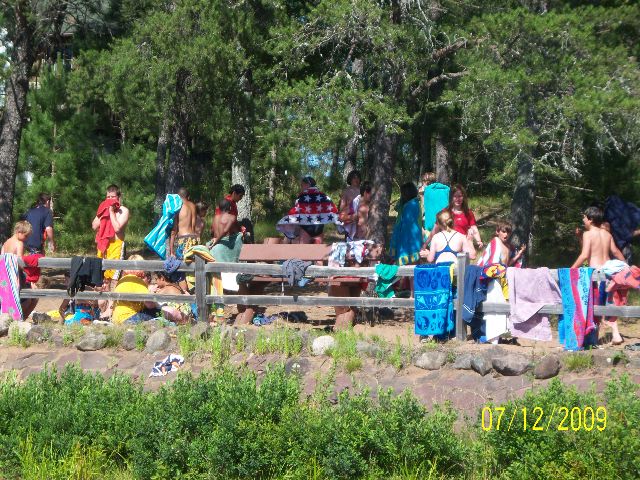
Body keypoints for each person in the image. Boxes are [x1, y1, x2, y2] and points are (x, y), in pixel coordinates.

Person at [571, 206, 626, 345]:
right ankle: (616, 335)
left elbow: (584, 255)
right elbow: (616, 251)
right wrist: (626, 265)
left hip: (596, 274)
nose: (583, 220)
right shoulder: (607, 234)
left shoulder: (588, 234)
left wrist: (572, 269)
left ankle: (593, 339)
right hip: (609, 273)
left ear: (590, 219)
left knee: (594, 306)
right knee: (609, 304)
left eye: (584, 217)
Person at [92, 184, 130, 318]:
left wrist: (112, 212)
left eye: (112, 197)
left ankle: (112, 312)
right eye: (107, 197)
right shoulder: (104, 208)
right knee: (103, 281)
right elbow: (94, 225)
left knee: (114, 280)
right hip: (104, 247)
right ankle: (103, 312)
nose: (110, 200)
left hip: (116, 247)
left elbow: (117, 228)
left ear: (118, 197)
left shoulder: (123, 211)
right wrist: (104, 212)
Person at [275, 176, 340, 244]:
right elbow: (333, 209)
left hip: (305, 228)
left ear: (307, 184)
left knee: (304, 249)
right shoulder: (323, 196)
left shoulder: (302, 197)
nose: (301, 187)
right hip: (319, 228)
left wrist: (287, 219)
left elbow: (295, 212)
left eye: (302, 185)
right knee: (318, 250)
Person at [2, 221, 39, 319]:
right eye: (26, 236)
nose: (26, 239)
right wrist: (29, 273)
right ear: (19, 232)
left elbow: (2, 258)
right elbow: (20, 261)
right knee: (31, 298)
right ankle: (20, 319)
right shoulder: (19, 243)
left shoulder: (6, 243)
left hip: (5, 276)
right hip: (16, 275)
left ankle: (11, 318)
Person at [112, 255, 159, 324]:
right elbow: (150, 305)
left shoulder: (123, 279)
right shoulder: (137, 281)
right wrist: (152, 293)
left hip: (117, 318)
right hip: (129, 318)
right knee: (159, 313)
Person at [389, 182, 424, 265]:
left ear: (406, 194)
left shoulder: (410, 206)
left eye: (403, 194)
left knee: (409, 265)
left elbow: (406, 225)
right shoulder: (414, 203)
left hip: (408, 241)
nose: (402, 196)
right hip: (412, 240)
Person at [169, 187, 198, 260]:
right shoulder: (193, 206)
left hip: (183, 239)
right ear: (188, 197)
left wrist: (171, 251)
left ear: (178, 196)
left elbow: (174, 231)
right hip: (193, 238)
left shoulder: (178, 206)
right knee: (193, 264)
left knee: (181, 265)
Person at [338, 170, 362, 239]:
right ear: (350, 179)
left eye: (358, 177)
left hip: (361, 220)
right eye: (354, 178)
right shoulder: (346, 191)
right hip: (350, 220)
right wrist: (346, 217)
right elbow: (342, 208)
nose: (356, 179)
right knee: (349, 240)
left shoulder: (362, 190)